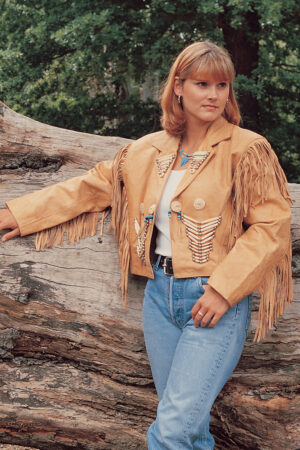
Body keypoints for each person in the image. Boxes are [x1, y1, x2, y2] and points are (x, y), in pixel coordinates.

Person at [0, 41, 292, 448]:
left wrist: (225, 290)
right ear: (178, 86)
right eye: (202, 83)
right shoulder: (146, 150)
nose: (213, 95)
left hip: (212, 300)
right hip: (159, 297)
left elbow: (271, 226)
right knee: (188, 429)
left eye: (222, 85)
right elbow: (88, 188)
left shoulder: (246, 149)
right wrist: (19, 213)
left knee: (171, 430)